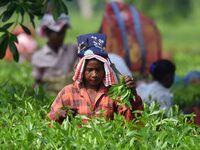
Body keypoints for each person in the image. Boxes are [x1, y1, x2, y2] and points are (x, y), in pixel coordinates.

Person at [47, 33, 143, 124]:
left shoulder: (113, 92)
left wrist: (132, 94)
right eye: (90, 70)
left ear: (105, 70)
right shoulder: (68, 92)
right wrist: (58, 115)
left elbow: (133, 119)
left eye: (98, 70)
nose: (94, 74)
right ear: (82, 70)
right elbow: (47, 123)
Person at [31, 13, 77, 94]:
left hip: (71, 95)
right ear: (47, 32)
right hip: (50, 96)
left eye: (63, 32)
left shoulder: (72, 49)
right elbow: (37, 82)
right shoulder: (39, 56)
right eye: (58, 33)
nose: (61, 36)